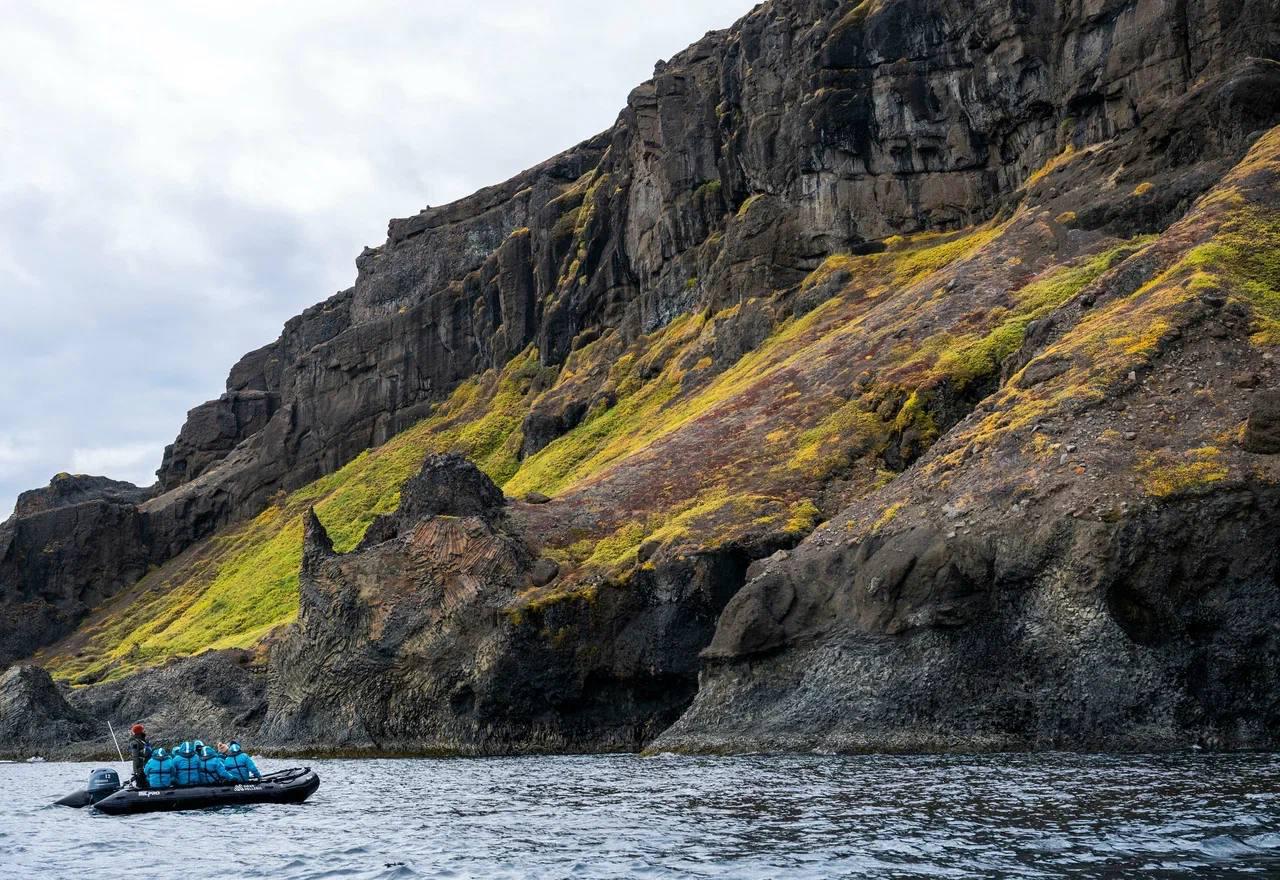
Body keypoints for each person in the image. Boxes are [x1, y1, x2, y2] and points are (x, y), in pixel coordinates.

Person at [128, 723, 151, 790]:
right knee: (141, 783)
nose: (144, 731)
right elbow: (135, 757)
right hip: (140, 767)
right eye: (143, 730)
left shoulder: (144, 741)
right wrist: (136, 771)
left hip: (147, 765)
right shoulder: (135, 743)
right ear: (139, 732)